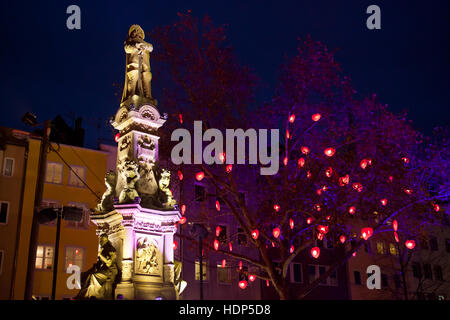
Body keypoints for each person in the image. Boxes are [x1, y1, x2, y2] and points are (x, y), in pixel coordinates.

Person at [74, 234, 119, 299]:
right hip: (104, 270)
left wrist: (100, 254)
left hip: (110, 270)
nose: (100, 243)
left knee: (93, 275)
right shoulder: (103, 249)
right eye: (100, 241)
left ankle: (95, 295)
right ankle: (83, 294)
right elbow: (99, 263)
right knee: (87, 275)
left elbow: (109, 263)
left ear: (106, 240)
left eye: (102, 241)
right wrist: (91, 269)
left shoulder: (111, 249)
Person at [121, 25, 155, 104]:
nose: (136, 32)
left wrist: (144, 46)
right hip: (134, 61)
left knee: (147, 75)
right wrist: (136, 46)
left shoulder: (145, 43)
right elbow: (127, 49)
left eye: (138, 30)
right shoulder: (130, 41)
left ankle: (148, 96)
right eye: (135, 30)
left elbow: (151, 47)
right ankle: (131, 94)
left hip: (145, 63)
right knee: (134, 74)